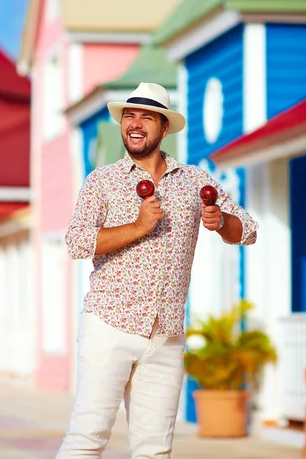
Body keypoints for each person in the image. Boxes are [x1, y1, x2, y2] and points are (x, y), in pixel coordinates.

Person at [56, 82, 258, 459]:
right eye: (128, 116)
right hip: (109, 326)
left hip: (165, 336)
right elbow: (76, 242)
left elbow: (248, 230)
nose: (134, 124)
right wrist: (137, 226)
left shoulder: (197, 182)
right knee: (87, 438)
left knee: (155, 451)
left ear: (164, 128)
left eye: (146, 117)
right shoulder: (102, 181)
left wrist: (220, 221)